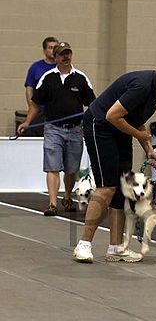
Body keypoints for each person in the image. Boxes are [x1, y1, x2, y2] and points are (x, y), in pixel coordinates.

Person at [73, 61, 156, 263]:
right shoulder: (143, 86)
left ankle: (116, 247)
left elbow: (136, 119)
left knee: (121, 188)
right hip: (100, 126)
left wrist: (148, 149)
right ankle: (83, 244)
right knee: (107, 187)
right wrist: (141, 136)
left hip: (118, 129)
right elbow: (112, 115)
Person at [18, 42, 96, 216]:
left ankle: (67, 197)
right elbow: (36, 103)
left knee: (71, 169)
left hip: (76, 129)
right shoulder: (48, 78)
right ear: (56, 57)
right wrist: (27, 122)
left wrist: (93, 123)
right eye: (62, 54)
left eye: (68, 53)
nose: (66, 57)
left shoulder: (81, 78)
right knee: (52, 167)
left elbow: (92, 104)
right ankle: (52, 203)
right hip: (53, 128)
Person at [23, 37, 59, 136]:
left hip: (56, 112)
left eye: (55, 47)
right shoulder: (35, 67)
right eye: (50, 47)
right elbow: (29, 88)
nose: (53, 50)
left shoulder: (62, 67)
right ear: (44, 50)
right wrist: (31, 106)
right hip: (39, 111)